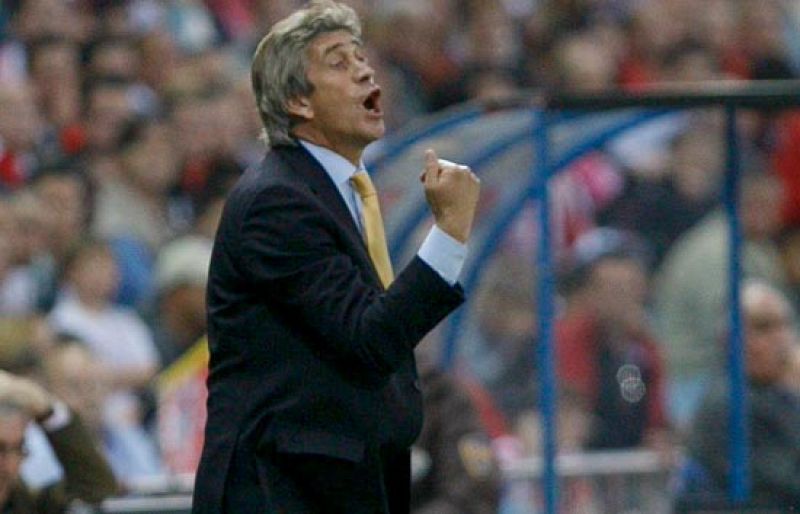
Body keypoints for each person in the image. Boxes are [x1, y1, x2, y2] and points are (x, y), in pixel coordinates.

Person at [192, 2, 481, 514]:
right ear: (298, 101)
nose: (365, 70)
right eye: (338, 62)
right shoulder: (276, 201)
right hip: (278, 492)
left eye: (361, 58)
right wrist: (449, 234)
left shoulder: (338, 191)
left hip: (338, 484)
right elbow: (369, 338)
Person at [682, 281, 800, 509]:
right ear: (729, 338)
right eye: (764, 328)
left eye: (785, 326)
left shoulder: (778, 394)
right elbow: (783, 481)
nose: (780, 340)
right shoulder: (728, 403)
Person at [0, 369, 118, 513]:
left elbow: (95, 488)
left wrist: (48, 411)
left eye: (18, 449)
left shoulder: (22, 503)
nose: (9, 466)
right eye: (0, 449)